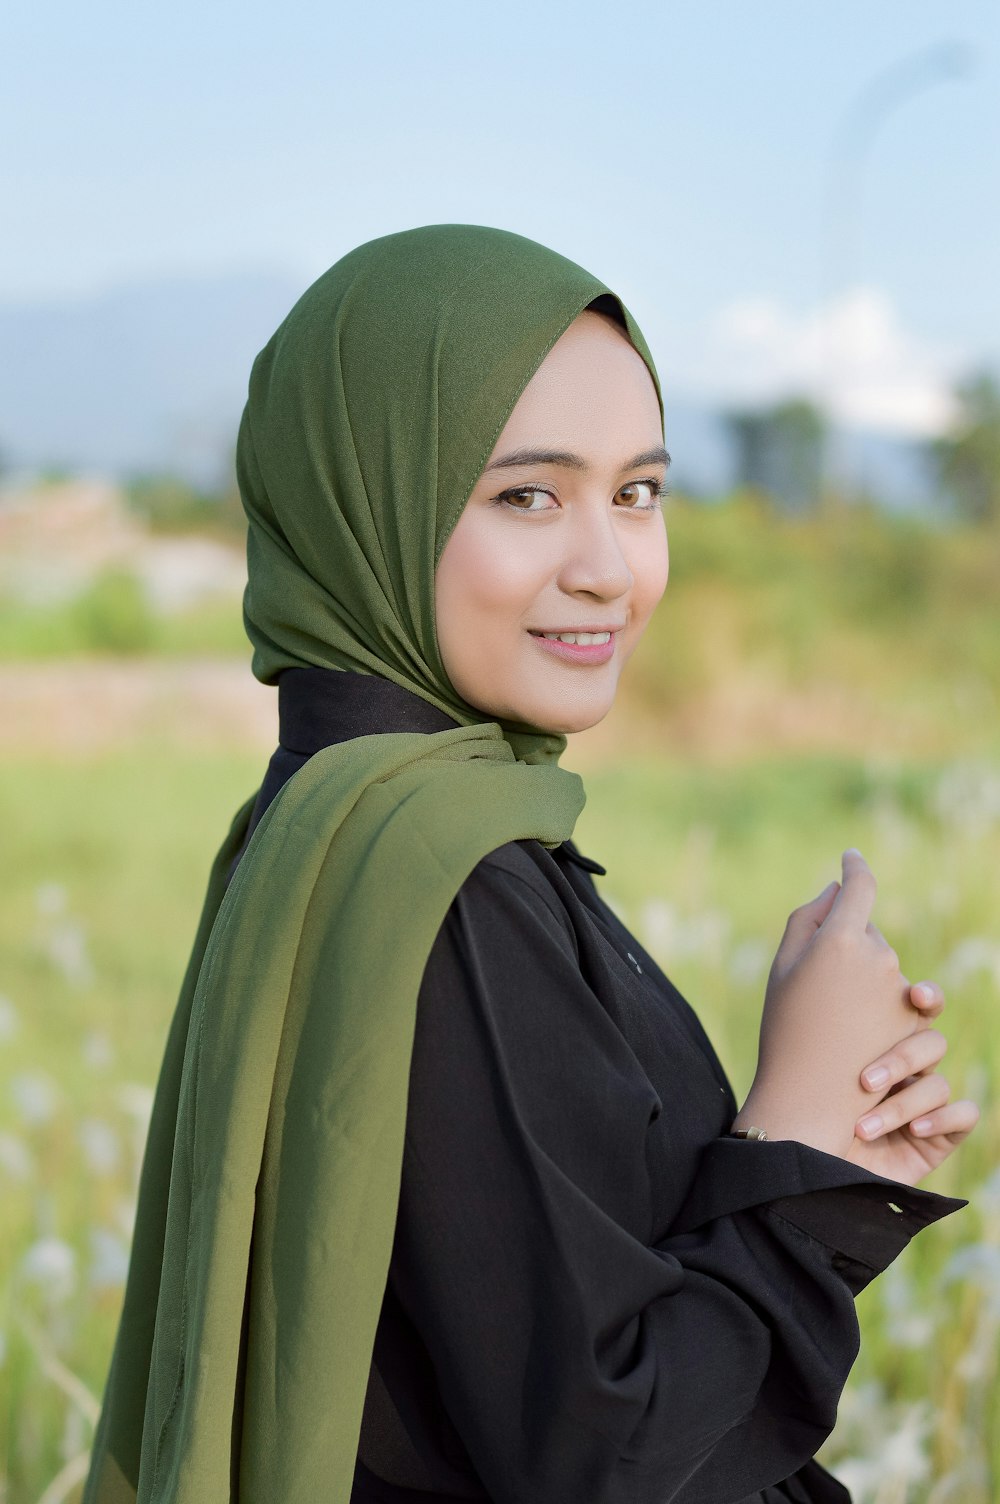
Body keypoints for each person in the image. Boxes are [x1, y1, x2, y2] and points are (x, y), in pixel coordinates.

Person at [82, 224, 979, 1504]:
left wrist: (834, 1157)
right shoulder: (446, 875)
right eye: (526, 494)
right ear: (364, 499)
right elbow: (605, 1455)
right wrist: (790, 1133)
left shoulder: (332, 824)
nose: (609, 568)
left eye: (639, 492)